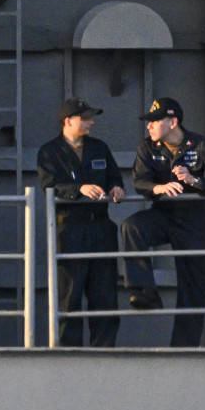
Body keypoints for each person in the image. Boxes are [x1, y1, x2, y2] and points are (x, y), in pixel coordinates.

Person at [120, 97, 205, 348]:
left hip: (194, 220)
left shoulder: (200, 145)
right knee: (132, 226)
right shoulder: (147, 147)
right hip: (164, 213)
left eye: (155, 122)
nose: (149, 126)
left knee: (192, 287)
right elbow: (140, 182)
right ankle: (144, 292)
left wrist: (193, 180)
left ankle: (184, 349)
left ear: (173, 122)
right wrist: (159, 187)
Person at [35, 97, 127, 347]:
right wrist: (79, 189)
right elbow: (50, 185)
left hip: (100, 227)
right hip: (70, 229)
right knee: (69, 297)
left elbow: (114, 177)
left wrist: (117, 188)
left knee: (105, 296)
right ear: (68, 121)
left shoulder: (99, 148)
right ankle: (68, 357)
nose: (91, 122)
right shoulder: (49, 152)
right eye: (85, 118)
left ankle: (104, 354)